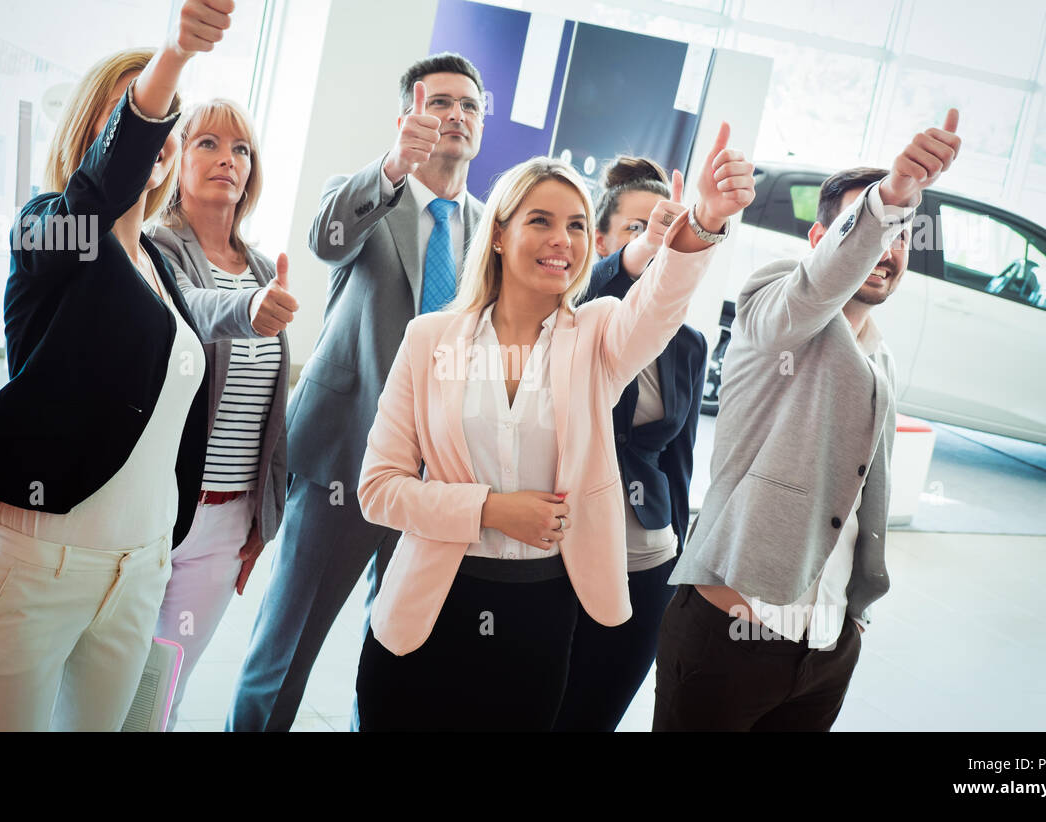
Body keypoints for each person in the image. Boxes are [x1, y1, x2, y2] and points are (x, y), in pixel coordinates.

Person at [353, 126, 754, 731]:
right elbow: (379, 489)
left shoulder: (598, 335)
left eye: (574, 225)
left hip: (538, 616)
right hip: (424, 611)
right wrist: (491, 509)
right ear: (499, 234)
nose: (561, 241)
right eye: (540, 220)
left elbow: (662, 301)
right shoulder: (430, 339)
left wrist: (703, 221)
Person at [0, 0, 238, 731]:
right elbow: (96, 196)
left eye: (170, 126)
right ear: (102, 133)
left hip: (136, 577)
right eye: (140, 120)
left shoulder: (162, 263)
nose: (158, 138)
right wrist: (170, 59)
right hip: (36, 570)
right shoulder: (48, 226)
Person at [655, 110, 962, 732]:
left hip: (826, 646)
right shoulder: (772, 303)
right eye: (880, 231)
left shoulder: (879, 352)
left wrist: (851, 621)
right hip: (732, 628)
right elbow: (809, 291)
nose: (888, 249)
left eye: (902, 236)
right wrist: (891, 200)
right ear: (824, 241)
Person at [227, 53, 487, 732]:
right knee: (287, 647)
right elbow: (326, 239)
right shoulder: (368, 195)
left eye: (469, 105)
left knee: (400, 647)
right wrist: (393, 169)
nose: (456, 114)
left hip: (433, 476)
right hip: (343, 457)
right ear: (408, 117)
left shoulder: (488, 229)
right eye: (440, 102)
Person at [148, 97, 296, 730]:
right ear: (176, 158)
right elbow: (184, 311)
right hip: (154, 508)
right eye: (207, 143)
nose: (227, 160)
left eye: (240, 149)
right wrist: (247, 310)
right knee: (110, 673)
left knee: (164, 685)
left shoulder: (265, 269)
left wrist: (264, 514)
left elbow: (274, 410)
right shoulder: (154, 248)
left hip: (228, 517)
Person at [552, 157, 708, 731]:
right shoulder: (562, 313)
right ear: (600, 241)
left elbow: (679, 460)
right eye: (637, 227)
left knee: (597, 710)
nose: (657, 240)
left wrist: (684, 566)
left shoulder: (688, 343)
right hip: (556, 544)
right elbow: (598, 285)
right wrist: (640, 255)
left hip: (645, 552)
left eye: (669, 229)